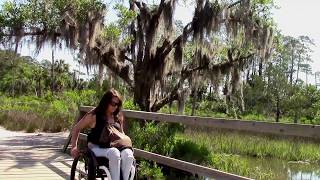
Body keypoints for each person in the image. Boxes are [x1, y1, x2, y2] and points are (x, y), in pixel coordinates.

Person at [71, 88, 134, 180]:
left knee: (128, 154)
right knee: (114, 153)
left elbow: (121, 134)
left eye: (118, 104)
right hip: (96, 147)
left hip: (115, 146)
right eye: (113, 103)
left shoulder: (118, 117)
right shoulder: (94, 115)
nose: (115, 106)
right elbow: (76, 129)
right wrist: (74, 147)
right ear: (106, 102)